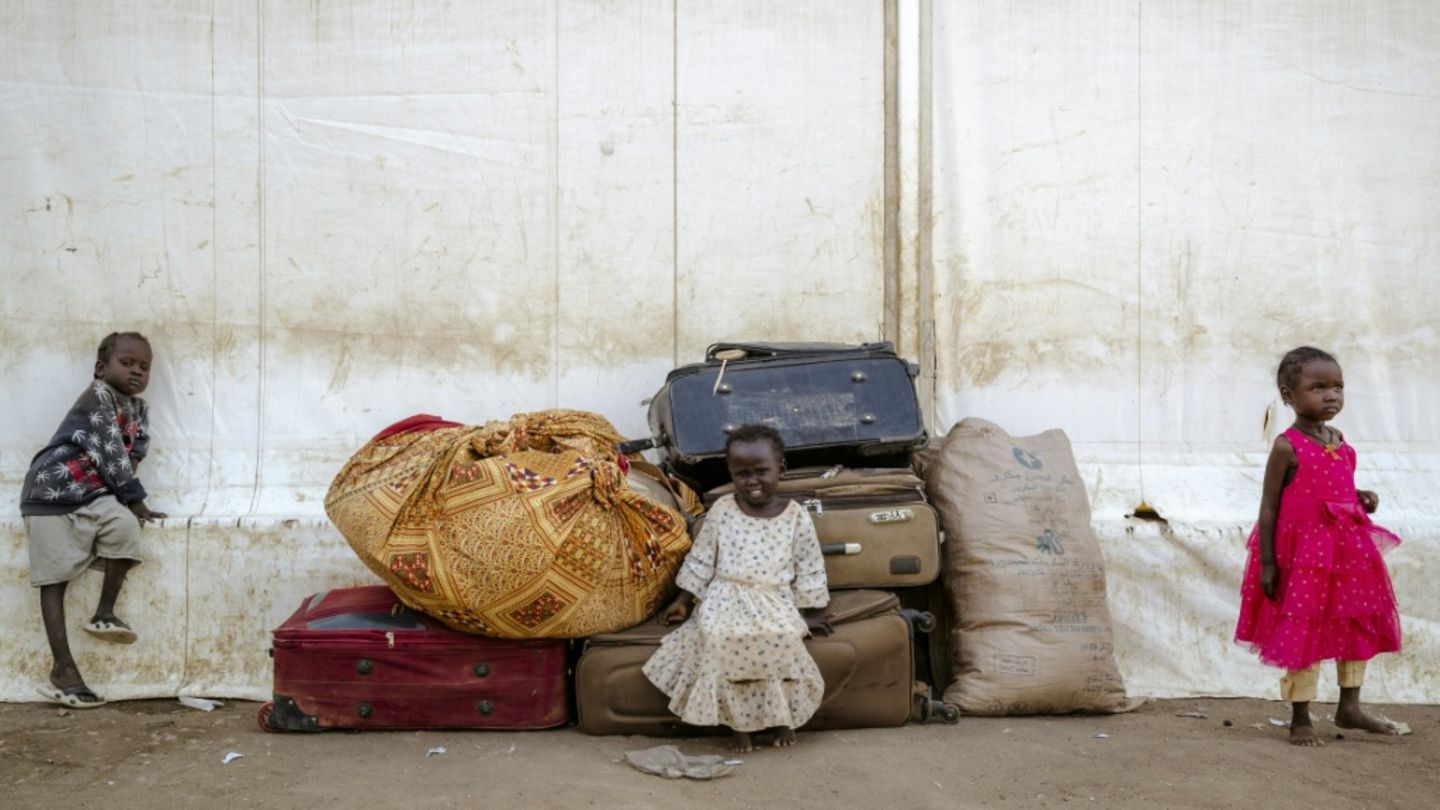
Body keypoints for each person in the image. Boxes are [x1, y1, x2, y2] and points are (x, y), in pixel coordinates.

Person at [1235, 346, 1402, 745]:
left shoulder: (1339, 440)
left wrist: (1361, 496)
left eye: (1338, 387)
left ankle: (1350, 707)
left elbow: (1336, 487)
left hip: (1347, 555)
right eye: (1318, 387)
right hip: (1305, 557)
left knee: (1354, 622)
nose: (1331, 395)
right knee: (1303, 631)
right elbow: (1271, 503)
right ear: (1289, 395)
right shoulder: (1286, 446)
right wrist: (1269, 564)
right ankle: (1301, 716)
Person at [643, 423, 830, 752]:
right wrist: (685, 599)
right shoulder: (723, 510)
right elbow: (701, 559)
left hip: (773, 597)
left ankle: (781, 717)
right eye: (742, 473)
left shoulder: (796, 515)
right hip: (726, 597)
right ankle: (736, 723)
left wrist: (810, 614)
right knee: (717, 636)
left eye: (761, 471)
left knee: (783, 636)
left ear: (780, 469)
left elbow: (810, 566)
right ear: (730, 473)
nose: (752, 481)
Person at [21, 332, 167, 708]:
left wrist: (130, 501)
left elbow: (135, 453)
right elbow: (113, 453)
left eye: (144, 366)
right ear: (101, 368)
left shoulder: (140, 409)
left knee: (124, 530)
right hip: (52, 490)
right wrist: (135, 498)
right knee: (52, 580)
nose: (136, 371)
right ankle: (63, 670)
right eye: (127, 362)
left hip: (94, 491)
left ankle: (104, 614)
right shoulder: (97, 396)